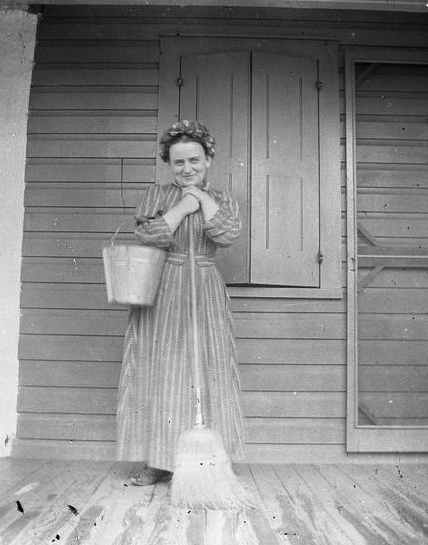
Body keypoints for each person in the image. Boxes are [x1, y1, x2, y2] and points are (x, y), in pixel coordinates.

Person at [117, 120, 245, 486]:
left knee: (211, 370)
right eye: (179, 163)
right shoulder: (156, 195)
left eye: (195, 161)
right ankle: (159, 461)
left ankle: (213, 458)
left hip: (205, 287)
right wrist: (183, 205)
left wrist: (202, 199)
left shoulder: (222, 197)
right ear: (168, 165)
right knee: (164, 374)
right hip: (165, 287)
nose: (187, 169)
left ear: (208, 160)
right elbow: (149, 235)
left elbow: (228, 234)